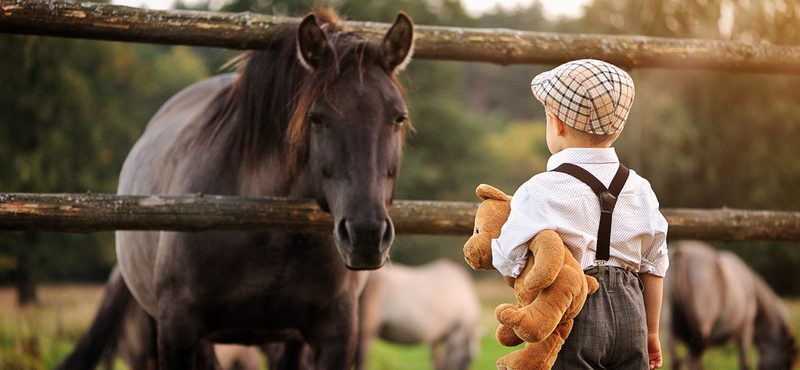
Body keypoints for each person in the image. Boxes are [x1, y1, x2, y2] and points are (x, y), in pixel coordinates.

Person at [491, 59, 669, 370]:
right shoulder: (641, 189)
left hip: (571, 311)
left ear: (556, 124)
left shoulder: (540, 189)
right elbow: (653, 266)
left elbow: (509, 259)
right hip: (632, 313)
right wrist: (651, 331)